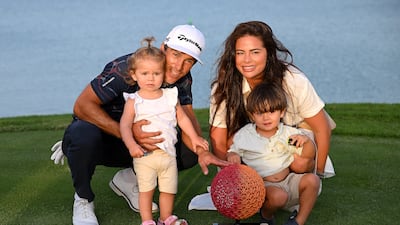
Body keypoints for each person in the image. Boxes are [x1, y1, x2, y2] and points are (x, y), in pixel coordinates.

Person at [50, 24, 230, 225]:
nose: (179, 66)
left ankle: (129, 180)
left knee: (189, 151)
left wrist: (201, 150)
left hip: (140, 146)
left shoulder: (182, 78)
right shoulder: (127, 68)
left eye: (189, 61)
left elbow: (186, 116)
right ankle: (83, 198)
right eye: (176, 55)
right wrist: (128, 134)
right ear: (163, 48)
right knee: (82, 135)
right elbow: (82, 106)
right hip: (102, 138)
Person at [209, 21, 335, 224]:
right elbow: (218, 137)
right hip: (252, 144)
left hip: (292, 139)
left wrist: (318, 173)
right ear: (233, 55)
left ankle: (295, 191)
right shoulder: (223, 87)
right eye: (240, 52)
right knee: (234, 139)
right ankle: (261, 196)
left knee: (301, 158)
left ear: (269, 53)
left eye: (255, 52)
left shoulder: (293, 80)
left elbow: (323, 128)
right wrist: (231, 181)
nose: (246, 59)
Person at [120, 36, 209, 225]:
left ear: (163, 73)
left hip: (168, 154)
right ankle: (147, 221)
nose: (151, 78)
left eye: (156, 74)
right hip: (145, 156)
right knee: (146, 190)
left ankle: (165, 218)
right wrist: (131, 145)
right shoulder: (134, 100)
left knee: (169, 189)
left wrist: (194, 137)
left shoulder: (171, 95)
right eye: (145, 74)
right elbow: (125, 126)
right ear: (134, 75)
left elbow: (182, 118)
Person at [226, 82, 320, 225]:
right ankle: (266, 215)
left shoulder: (288, 134)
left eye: (271, 112)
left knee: (313, 180)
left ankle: (299, 221)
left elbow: (308, 154)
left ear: (281, 112)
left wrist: (306, 141)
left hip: (289, 179)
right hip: (263, 185)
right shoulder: (246, 135)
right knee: (279, 197)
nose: (266, 118)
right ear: (252, 115)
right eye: (260, 113)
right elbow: (233, 150)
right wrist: (232, 155)